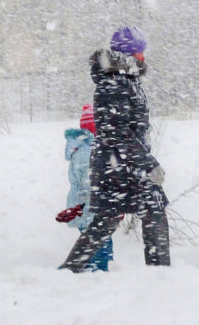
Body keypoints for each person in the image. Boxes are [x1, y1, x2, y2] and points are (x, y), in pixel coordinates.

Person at [59, 26, 170, 273]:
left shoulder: (127, 80)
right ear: (131, 54)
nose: (144, 57)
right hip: (116, 168)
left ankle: (160, 272)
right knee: (119, 218)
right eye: (141, 52)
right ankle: (161, 272)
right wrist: (148, 163)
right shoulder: (113, 84)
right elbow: (117, 135)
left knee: (146, 211)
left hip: (123, 165)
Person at [61, 104, 114, 272]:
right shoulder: (86, 152)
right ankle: (97, 268)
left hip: (90, 203)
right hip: (87, 204)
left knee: (101, 236)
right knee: (97, 238)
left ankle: (105, 264)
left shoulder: (88, 147)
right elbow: (88, 182)